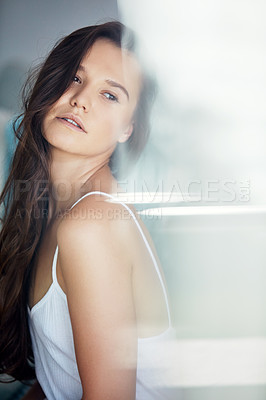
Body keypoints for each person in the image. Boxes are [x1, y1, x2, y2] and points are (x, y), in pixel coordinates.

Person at [0, 21, 176, 399]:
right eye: (75, 78)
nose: (80, 99)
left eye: (110, 95)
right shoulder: (54, 212)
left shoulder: (91, 227)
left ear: (127, 128)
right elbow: (53, 381)